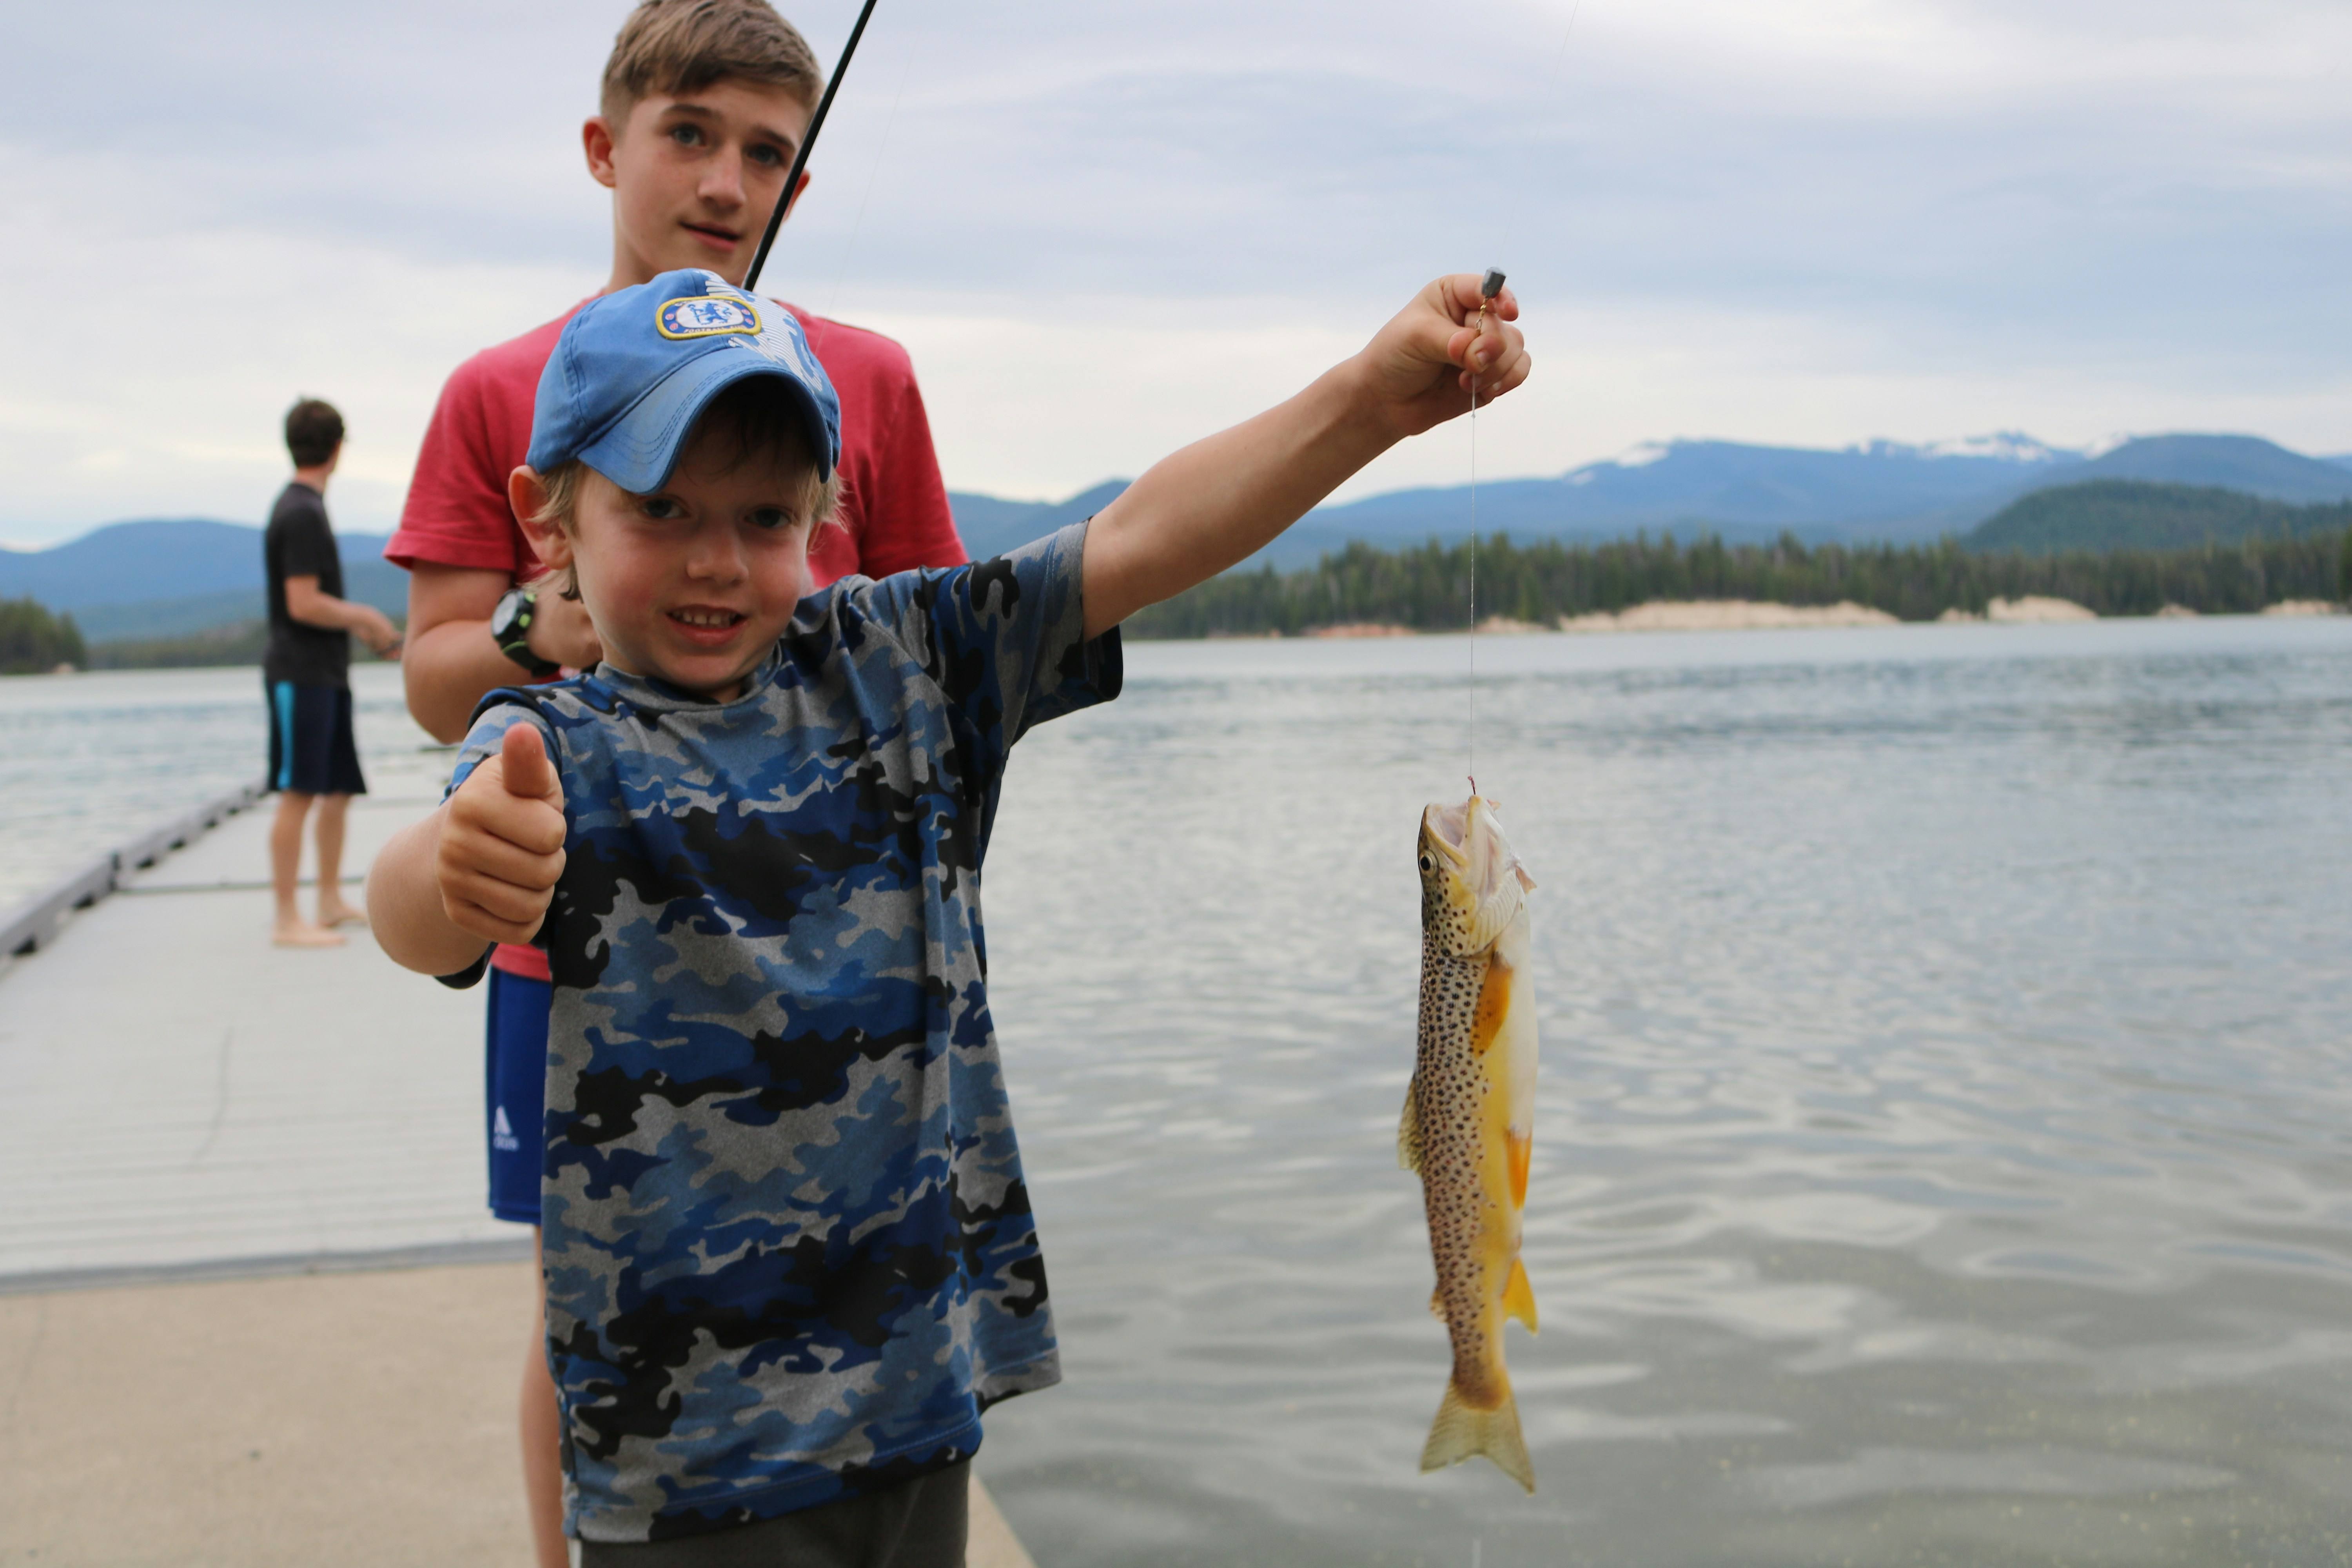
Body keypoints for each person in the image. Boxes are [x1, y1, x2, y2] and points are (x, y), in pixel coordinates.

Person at [367, 265, 1528, 1559]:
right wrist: (459, 868)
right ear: (549, 518)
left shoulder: (904, 665)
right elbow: (415, 918)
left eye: (764, 516)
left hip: (918, 1394)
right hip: (684, 1451)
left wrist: (1370, 401)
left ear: (824, 509)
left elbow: (1140, 540)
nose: (715, 558)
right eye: (659, 508)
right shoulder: (548, 743)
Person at [381, 4, 966, 1553]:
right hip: (576, 921)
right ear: (603, 150)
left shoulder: (873, 382)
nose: (724, 181)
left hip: (833, 944)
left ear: (798, 184)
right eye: (689, 136)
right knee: (580, 1279)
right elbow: (434, 654)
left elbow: (948, 661)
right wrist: (536, 626)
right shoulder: (499, 386)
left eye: (766, 153)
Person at [262, 397, 401, 948]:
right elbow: (302, 602)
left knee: (338, 788)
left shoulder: (307, 508)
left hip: (328, 671)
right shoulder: (299, 511)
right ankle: (285, 919)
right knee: (299, 792)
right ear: (338, 448)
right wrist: (366, 617)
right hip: (300, 672)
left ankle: (326, 897)